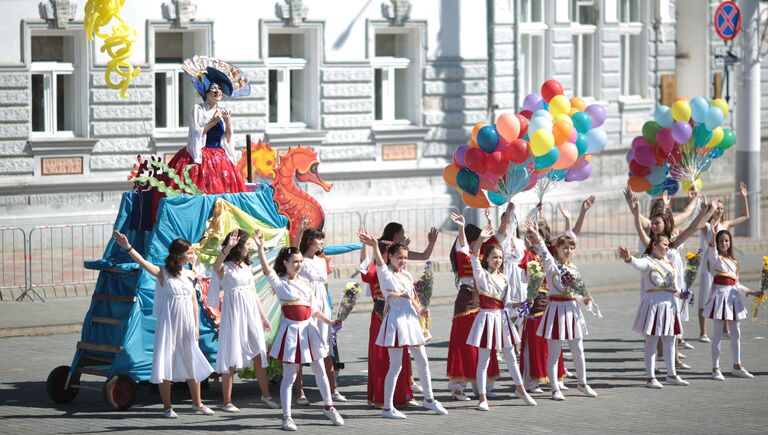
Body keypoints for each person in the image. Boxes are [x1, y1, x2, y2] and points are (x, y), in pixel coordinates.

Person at [112, 231, 214, 418]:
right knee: (165, 361)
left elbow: (193, 302)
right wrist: (127, 246)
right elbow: (143, 262)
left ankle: (197, 403)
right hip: (169, 325)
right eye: (189, 252)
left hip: (187, 325)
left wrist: (197, 327)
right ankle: (167, 407)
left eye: (191, 252)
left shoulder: (191, 274)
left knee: (192, 361)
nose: (191, 255)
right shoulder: (163, 273)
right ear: (178, 254)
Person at [253, 231, 343, 431]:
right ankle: (286, 417)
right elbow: (268, 271)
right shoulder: (280, 281)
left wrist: (331, 322)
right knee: (290, 376)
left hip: (309, 330)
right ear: (285, 262)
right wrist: (260, 248)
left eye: (300, 261)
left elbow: (314, 310)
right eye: (295, 261)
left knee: (319, 368)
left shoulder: (305, 282)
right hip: (291, 332)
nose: (299, 265)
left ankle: (329, 406)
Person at [358, 227, 448, 419]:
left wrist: (421, 309)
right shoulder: (385, 274)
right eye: (399, 257)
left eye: (405, 257)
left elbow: (413, 297)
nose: (403, 260)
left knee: (423, 361)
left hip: (411, 320)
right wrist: (373, 246)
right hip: (396, 320)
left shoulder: (406, 275)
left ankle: (429, 399)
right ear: (389, 257)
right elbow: (380, 266)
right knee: (396, 365)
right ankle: (388, 407)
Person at [451, 214, 536, 410]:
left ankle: (521, 390)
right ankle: (482, 399)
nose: (497, 260)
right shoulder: (481, 275)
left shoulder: (504, 279)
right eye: (494, 257)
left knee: (510, 357)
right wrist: (479, 238)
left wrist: (522, 303)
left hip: (502, 319)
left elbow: (506, 303)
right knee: (484, 359)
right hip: (485, 318)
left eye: (500, 257)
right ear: (486, 259)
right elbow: (473, 256)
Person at [628, 190, 713, 370]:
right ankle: (660, 361)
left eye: (657, 222)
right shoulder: (651, 244)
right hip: (656, 290)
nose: (652, 225)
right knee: (658, 325)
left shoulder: (673, 243)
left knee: (673, 327)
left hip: (676, 290)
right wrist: (634, 211)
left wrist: (707, 211)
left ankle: (673, 361)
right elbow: (638, 226)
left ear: (665, 224)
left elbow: (694, 227)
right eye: (652, 222)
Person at [208, 229, 278, 412]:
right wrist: (227, 248)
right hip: (233, 314)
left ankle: (266, 395)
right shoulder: (226, 266)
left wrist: (263, 317)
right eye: (247, 244)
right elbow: (215, 267)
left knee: (259, 353)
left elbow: (254, 293)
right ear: (238, 246)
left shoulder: (247, 266)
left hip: (251, 313)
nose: (249, 247)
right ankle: (227, 401)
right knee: (230, 356)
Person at [527, 226, 597, 401]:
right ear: (557, 249)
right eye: (565, 247)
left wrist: (585, 300)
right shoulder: (552, 265)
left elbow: (576, 294)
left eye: (571, 248)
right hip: (556, 311)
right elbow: (542, 251)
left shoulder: (573, 268)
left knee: (578, 350)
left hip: (572, 311)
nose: (568, 251)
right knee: (554, 352)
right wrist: (537, 237)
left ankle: (582, 383)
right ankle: (554, 388)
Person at [618, 234, 690, 389]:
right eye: (664, 244)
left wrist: (683, 294)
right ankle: (650, 377)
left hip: (669, 305)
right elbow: (637, 263)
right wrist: (628, 258)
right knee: (651, 340)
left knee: (670, 340)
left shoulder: (670, 264)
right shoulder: (648, 262)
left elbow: (674, 289)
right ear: (654, 245)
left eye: (667, 245)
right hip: (654, 304)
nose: (667, 247)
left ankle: (671, 375)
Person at [446, 209, 503, 401]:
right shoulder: (464, 252)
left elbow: (496, 243)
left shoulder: (484, 254)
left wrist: (490, 219)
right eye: (479, 238)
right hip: (467, 301)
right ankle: (458, 387)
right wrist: (461, 227)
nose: (483, 241)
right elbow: (462, 242)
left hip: (484, 302)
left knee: (485, 343)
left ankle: (484, 386)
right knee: (464, 344)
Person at [163, 67, 246, 195]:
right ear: (206, 93)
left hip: (219, 157)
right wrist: (213, 121)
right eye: (213, 89)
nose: (217, 92)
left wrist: (228, 121)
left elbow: (228, 138)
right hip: (201, 155)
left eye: (219, 89)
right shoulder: (199, 110)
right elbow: (197, 132)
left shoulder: (223, 110)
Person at [292, 224, 347, 405]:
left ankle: (333, 389)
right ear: (309, 241)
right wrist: (299, 231)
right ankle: (299, 392)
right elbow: (293, 248)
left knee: (326, 347)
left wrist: (330, 309)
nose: (322, 242)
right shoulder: (300, 261)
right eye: (319, 239)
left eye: (323, 239)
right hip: (306, 303)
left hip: (322, 304)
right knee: (302, 347)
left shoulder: (321, 261)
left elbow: (325, 285)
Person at [703, 229, 760, 381]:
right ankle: (715, 368)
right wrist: (713, 234)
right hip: (720, 297)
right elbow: (711, 249)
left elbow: (737, 284)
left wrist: (752, 292)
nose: (724, 243)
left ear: (730, 242)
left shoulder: (734, 262)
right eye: (721, 241)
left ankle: (737, 366)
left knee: (736, 333)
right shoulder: (715, 259)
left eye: (726, 241)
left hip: (733, 298)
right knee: (717, 334)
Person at [697, 182, 751, 343]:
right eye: (716, 209)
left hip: (725, 259)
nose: (719, 211)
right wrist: (705, 209)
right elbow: (699, 223)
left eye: (721, 208)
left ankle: (726, 328)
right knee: (707, 293)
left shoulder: (725, 224)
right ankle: (703, 332)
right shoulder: (706, 225)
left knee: (726, 290)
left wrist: (744, 198)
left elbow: (746, 216)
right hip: (711, 258)